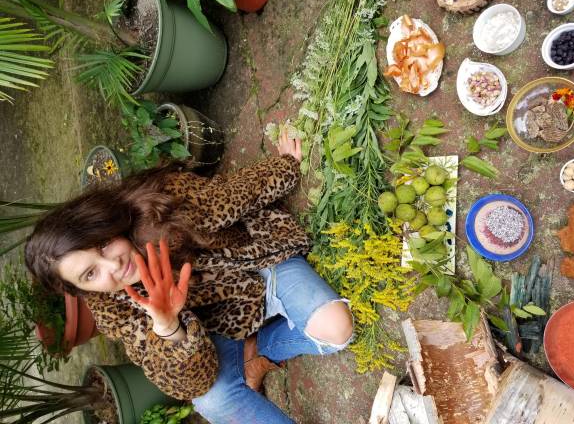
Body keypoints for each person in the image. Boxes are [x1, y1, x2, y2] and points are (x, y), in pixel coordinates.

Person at [25, 129, 354, 424]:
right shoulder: (117, 310)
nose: (113, 266)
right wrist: (168, 328)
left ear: (102, 222)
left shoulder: (156, 205)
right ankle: (257, 349)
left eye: (102, 244)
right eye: (91, 273)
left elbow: (232, 197)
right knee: (213, 401)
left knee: (338, 330)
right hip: (222, 331)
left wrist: (284, 165)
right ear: (82, 289)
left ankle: (257, 349)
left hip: (259, 270)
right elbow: (191, 383)